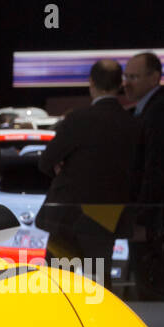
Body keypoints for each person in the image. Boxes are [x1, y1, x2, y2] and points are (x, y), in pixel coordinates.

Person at [36, 59, 135, 289]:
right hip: (106, 219)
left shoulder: (78, 119)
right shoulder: (133, 125)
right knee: (99, 289)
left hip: (67, 218)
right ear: (120, 84)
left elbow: (45, 161)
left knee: (58, 289)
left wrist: (63, 170)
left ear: (91, 82)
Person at [123, 51, 164, 309]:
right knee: (147, 290)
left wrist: (142, 218)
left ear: (154, 77)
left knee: (153, 292)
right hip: (148, 220)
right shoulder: (148, 109)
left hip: (151, 222)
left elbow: (156, 170)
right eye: (126, 76)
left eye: (134, 76)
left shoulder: (161, 110)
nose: (126, 82)